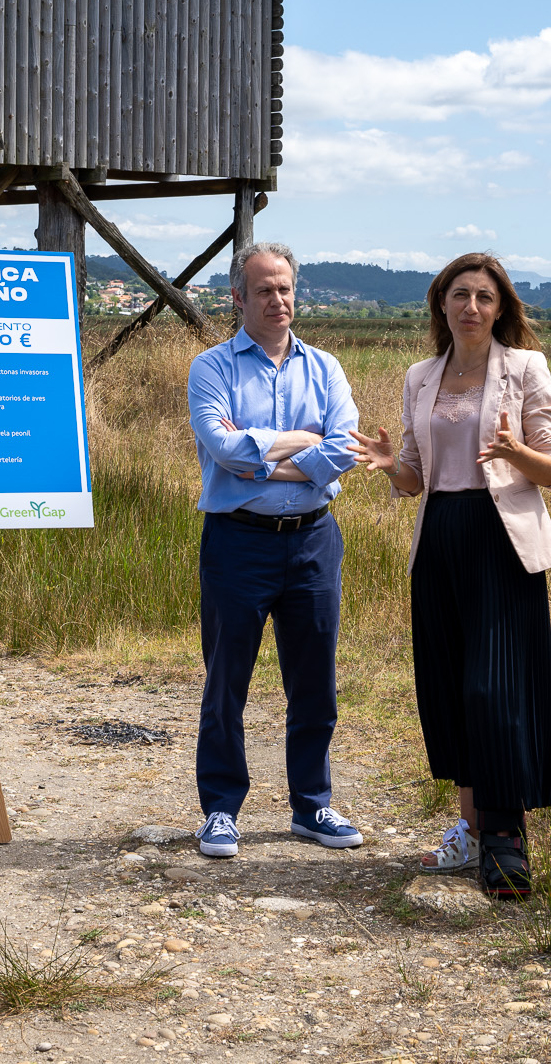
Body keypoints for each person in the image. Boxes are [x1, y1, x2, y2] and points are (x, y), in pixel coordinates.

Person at [350, 253, 551, 898]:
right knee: (448, 686)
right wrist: (392, 464)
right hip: (441, 536)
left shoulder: (525, 369)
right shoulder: (421, 377)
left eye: (485, 297)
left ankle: (505, 839)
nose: (471, 308)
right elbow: (415, 479)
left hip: (501, 540)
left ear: (501, 309)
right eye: (460, 296)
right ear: (441, 304)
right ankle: (470, 828)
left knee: (492, 689)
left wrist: (512, 451)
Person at [187, 242, 363, 860]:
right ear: (239, 298)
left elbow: (346, 449)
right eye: (263, 290)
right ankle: (220, 809)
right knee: (226, 678)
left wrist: (264, 458)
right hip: (238, 542)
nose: (277, 300)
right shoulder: (211, 368)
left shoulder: (327, 368)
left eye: (285, 288)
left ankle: (312, 805)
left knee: (315, 679)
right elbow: (222, 449)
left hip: (315, 541)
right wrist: (302, 449)